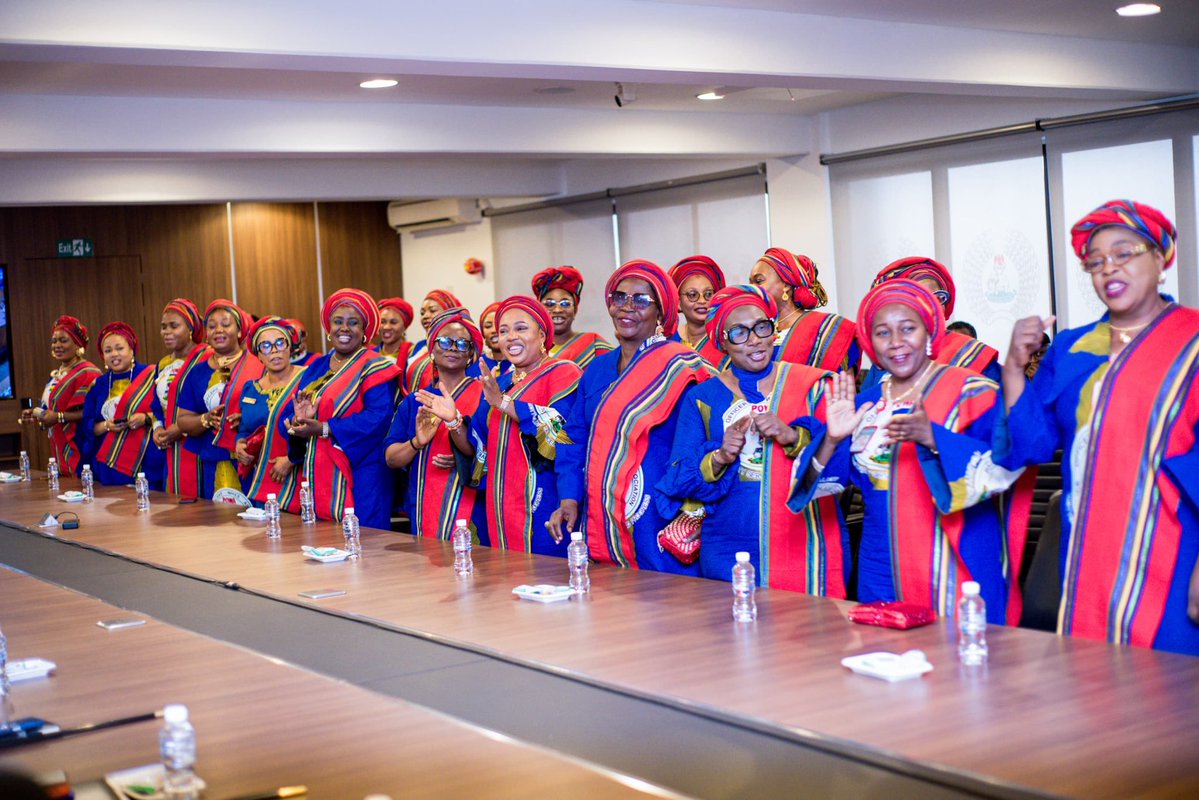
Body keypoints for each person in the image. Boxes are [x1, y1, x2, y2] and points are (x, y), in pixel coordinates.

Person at [995, 199, 1199, 655]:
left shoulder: (1192, 340)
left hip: (1173, 546)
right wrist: (1013, 367)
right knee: (1093, 684)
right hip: (1085, 546)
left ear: (1160, 259)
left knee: (1171, 694)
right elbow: (1028, 446)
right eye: (1095, 262)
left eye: (1124, 253)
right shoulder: (1073, 347)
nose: (1108, 269)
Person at [790, 280, 1026, 623]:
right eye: (883, 333)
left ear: (930, 332)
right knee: (883, 661)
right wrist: (832, 439)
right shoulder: (865, 404)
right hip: (880, 563)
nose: (896, 343)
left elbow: (1008, 465)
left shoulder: (973, 392)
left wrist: (935, 440)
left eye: (908, 329)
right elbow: (810, 484)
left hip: (952, 558)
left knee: (960, 666)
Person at [658, 286, 848, 595]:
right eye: (739, 333)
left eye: (762, 327)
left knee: (808, 638)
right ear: (721, 341)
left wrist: (792, 436)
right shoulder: (703, 398)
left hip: (804, 541)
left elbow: (840, 468)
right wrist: (719, 456)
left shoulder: (810, 386)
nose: (755, 339)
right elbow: (677, 477)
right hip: (729, 547)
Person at [550, 260, 714, 574]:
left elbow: (702, 446)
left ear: (662, 313)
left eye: (640, 300)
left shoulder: (683, 368)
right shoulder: (597, 369)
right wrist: (569, 497)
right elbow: (571, 438)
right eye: (619, 297)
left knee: (664, 608)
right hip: (601, 513)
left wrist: (690, 510)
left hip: (660, 514)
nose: (627, 307)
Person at [439, 297, 581, 554]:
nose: (510, 337)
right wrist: (453, 420)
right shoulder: (501, 383)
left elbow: (562, 436)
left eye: (520, 328)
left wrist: (503, 403)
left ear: (541, 334)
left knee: (548, 579)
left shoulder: (564, 373)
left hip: (546, 500)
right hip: (502, 506)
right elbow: (476, 448)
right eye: (503, 331)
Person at [279, 288, 402, 529]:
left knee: (366, 545)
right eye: (338, 321)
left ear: (365, 332)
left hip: (364, 472)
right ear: (329, 328)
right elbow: (293, 409)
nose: (344, 328)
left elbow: (379, 418)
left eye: (353, 322)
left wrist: (324, 428)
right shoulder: (316, 367)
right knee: (324, 544)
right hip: (319, 470)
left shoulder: (376, 367)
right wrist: (297, 423)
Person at [385, 307, 488, 542]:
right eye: (445, 341)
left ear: (471, 354)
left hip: (473, 504)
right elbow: (391, 458)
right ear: (431, 350)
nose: (453, 348)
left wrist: (463, 458)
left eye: (462, 344)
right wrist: (416, 443)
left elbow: (494, 452)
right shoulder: (415, 400)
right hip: (424, 501)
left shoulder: (485, 395)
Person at [173, 299, 260, 501]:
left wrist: (248, 420)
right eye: (212, 326)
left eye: (225, 324)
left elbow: (274, 409)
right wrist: (205, 419)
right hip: (212, 460)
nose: (218, 330)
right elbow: (183, 420)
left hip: (252, 459)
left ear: (239, 331)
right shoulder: (197, 372)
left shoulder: (258, 366)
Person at [869, 258, 1000, 384]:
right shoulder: (888, 357)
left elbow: (1009, 401)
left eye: (938, 297)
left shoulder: (971, 354)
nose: (932, 306)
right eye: (921, 298)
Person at [749, 248, 859, 373]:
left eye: (758, 281)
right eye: (750, 282)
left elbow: (844, 386)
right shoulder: (751, 332)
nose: (752, 288)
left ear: (786, 285)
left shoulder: (826, 328)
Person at [79, 322, 162, 488]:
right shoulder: (98, 385)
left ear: (131, 350)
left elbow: (167, 413)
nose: (114, 354)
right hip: (109, 466)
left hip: (146, 461)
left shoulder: (153, 376)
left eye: (119, 348)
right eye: (108, 351)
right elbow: (88, 428)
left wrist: (145, 418)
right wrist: (107, 426)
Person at [234, 317, 306, 507]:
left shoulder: (308, 378)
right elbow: (244, 429)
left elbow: (317, 426)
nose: (274, 350)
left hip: (300, 472)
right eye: (265, 345)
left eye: (280, 343)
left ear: (290, 347)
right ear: (258, 355)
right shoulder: (250, 388)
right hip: (260, 476)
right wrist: (240, 445)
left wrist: (291, 460)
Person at [19, 315, 101, 476]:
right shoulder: (57, 374)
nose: (57, 345)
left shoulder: (88, 372)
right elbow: (53, 409)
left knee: (82, 489)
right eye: (54, 341)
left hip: (81, 443)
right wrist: (37, 416)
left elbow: (92, 412)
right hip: (59, 445)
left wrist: (59, 417)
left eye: (63, 340)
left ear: (78, 344)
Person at [150, 299, 210, 497]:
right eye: (163, 327)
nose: (166, 332)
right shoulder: (163, 364)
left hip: (199, 440)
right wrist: (158, 427)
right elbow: (156, 406)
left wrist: (181, 427)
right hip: (170, 445)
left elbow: (214, 400)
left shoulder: (207, 357)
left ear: (191, 328)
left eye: (174, 326)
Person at [531, 265, 613, 369]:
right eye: (550, 303)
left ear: (575, 310)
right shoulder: (531, 350)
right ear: (540, 310)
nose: (557, 310)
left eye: (565, 303)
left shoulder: (593, 344)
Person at [669, 255, 728, 369]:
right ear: (678, 303)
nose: (702, 301)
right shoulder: (670, 339)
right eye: (693, 295)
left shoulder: (725, 340)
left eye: (708, 294)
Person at [406, 289, 463, 392]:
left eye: (432, 310)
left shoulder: (459, 347)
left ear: (448, 312)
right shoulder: (416, 348)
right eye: (422, 313)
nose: (426, 316)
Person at [376, 297, 415, 377]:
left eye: (393, 322)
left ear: (404, 327)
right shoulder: (371, 355)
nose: (386, 327)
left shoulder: (413, 354)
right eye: (382, 322)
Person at [477, 301, 512, 378]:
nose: (494, 330)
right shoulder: (475, 364)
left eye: (499, 324)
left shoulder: (520, 362)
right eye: (488, 326)